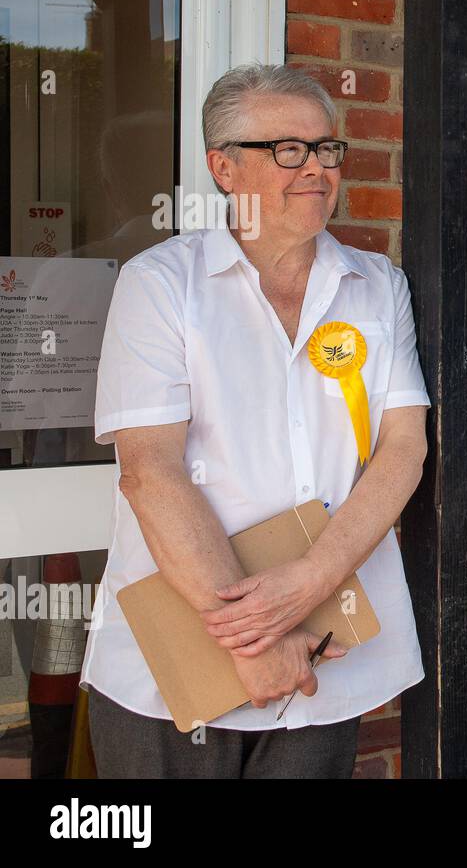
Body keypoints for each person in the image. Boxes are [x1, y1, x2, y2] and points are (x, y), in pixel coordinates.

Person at [81, 63, 430, 777]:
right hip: (175, 665)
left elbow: (403, 450)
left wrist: (309, 583)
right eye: (288, 150)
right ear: (225, 168)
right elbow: (152, 474)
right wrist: (256, 640)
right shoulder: (161, 285)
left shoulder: (377, 283)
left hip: (325, 648)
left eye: (326, 148)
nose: (316, 168)